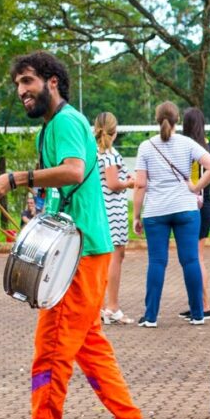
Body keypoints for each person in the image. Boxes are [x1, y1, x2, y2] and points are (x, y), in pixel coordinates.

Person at [0, 51, 149, 419]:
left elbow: (74, 171)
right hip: (81, 249)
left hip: (80, 254)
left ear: (52, 81)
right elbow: (67, 185)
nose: (21, 91)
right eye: (18, 84)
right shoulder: (54, 126)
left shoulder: (66, 122)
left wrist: (16, 178)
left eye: (28, 81)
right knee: (88, 341)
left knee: (53, 345)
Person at [133, 101, 210, 328]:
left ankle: (151, 316)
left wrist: (135, 215)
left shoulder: (145, 147)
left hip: (155, 211)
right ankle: (198, 314)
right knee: (190, 260)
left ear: (156, 120)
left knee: (157, 262)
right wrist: (195, 187)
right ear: (177, 120)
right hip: (186, 209)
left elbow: (140, 185)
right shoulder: (187, 143)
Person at [94, 111, 135, 325]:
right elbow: (112, 183)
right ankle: (112, 307)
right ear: (114, 130)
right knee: (115, 257)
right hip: (114, 210)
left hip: (102, 209)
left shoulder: (94, 152)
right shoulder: (109, 153)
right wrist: (128, 183)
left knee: (105, 258)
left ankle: (101, 306)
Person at [181, 107, 210, 320]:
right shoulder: (208, 146)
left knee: (196, 257)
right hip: (207, 204)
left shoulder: (188, 148)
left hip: (196, 206)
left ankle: (204, 305)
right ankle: (198, 303)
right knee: (195, 257)